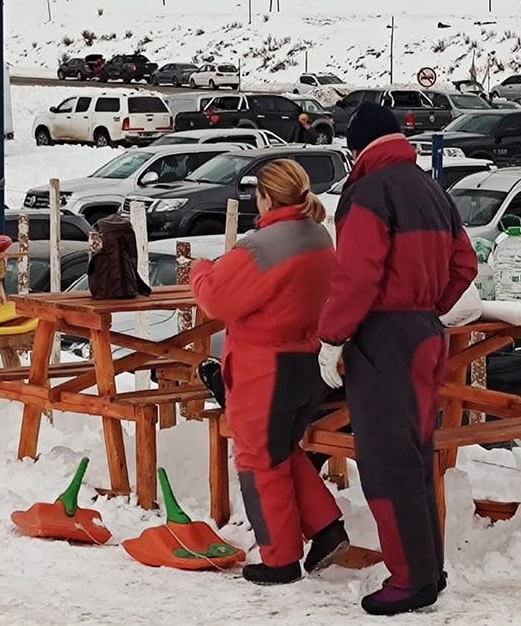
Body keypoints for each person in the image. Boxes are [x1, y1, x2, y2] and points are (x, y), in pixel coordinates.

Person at [317, 103, 477, 616]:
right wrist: (429, 306)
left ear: (356, 147)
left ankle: (411, 580)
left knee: (388, 462)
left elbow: (357, 276)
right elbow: (465, 263)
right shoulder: (432, 189)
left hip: (384, 337)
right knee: (416, 458)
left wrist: (332, 337)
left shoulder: (367, 192)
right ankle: (428, 568)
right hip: (426, 333)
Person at [191, 159, 349, 586]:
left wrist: (201, 271)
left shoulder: (261, 247)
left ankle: (279, 559)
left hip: (265, 366)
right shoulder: (318, 236)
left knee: (259, 459)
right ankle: (326, 527)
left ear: (264, 196)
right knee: (279, 451)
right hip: (307, 362)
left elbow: (217, 301)